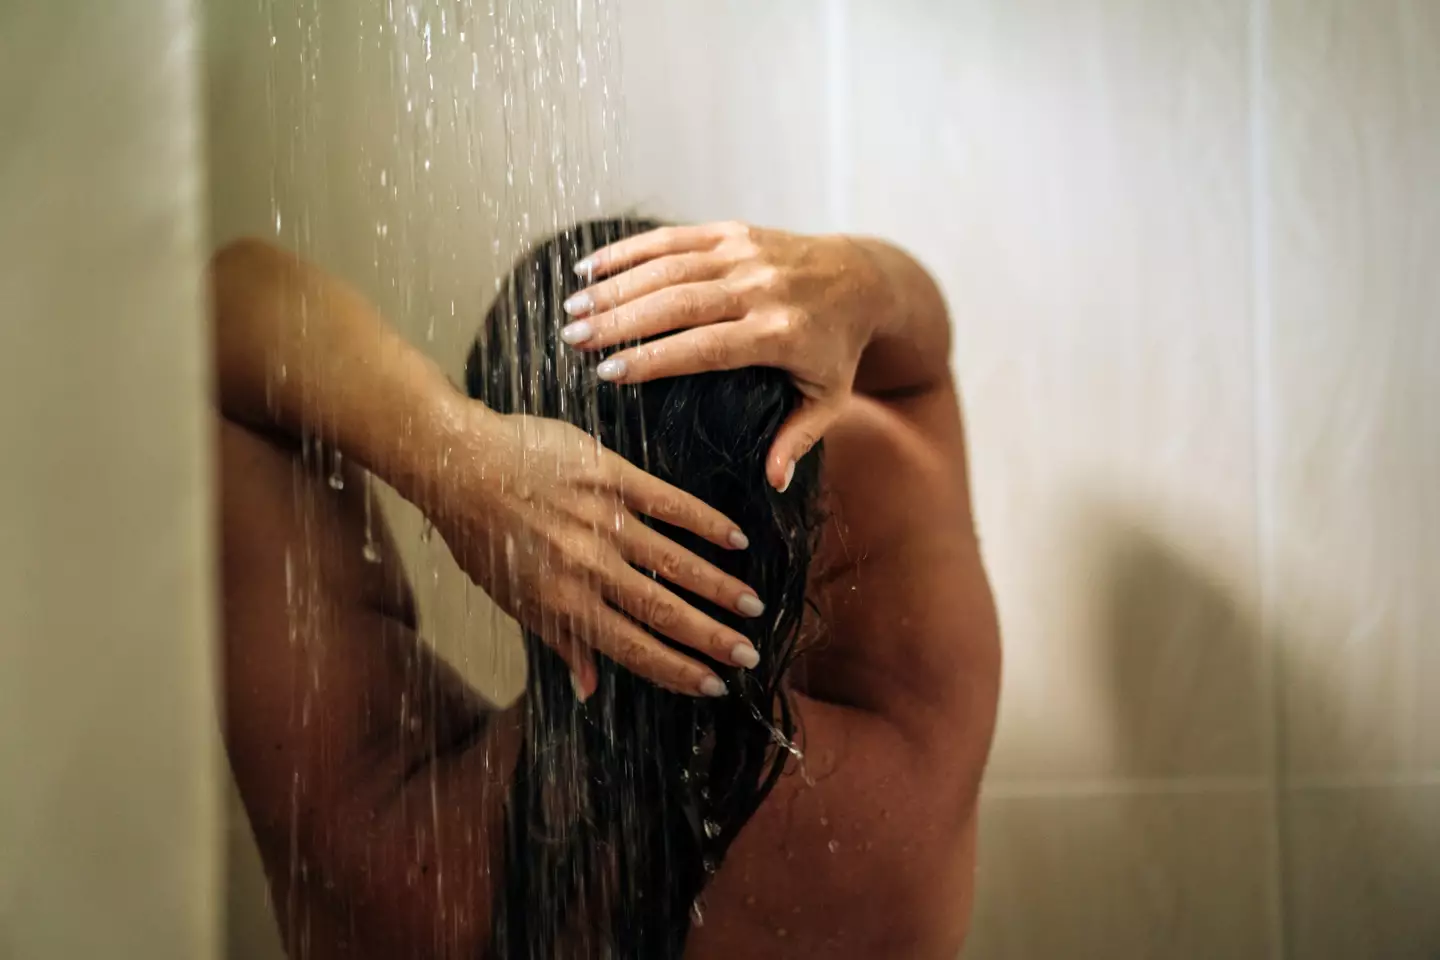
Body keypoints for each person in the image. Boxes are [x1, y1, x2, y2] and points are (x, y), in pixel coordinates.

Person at [215, 217, 1000, 959]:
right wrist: (861, 278)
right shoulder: (912, 782)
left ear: (501, 549)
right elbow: (914, 378)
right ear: (797, 518)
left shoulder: (374, 833)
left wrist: (448, 453)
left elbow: (222, 308)